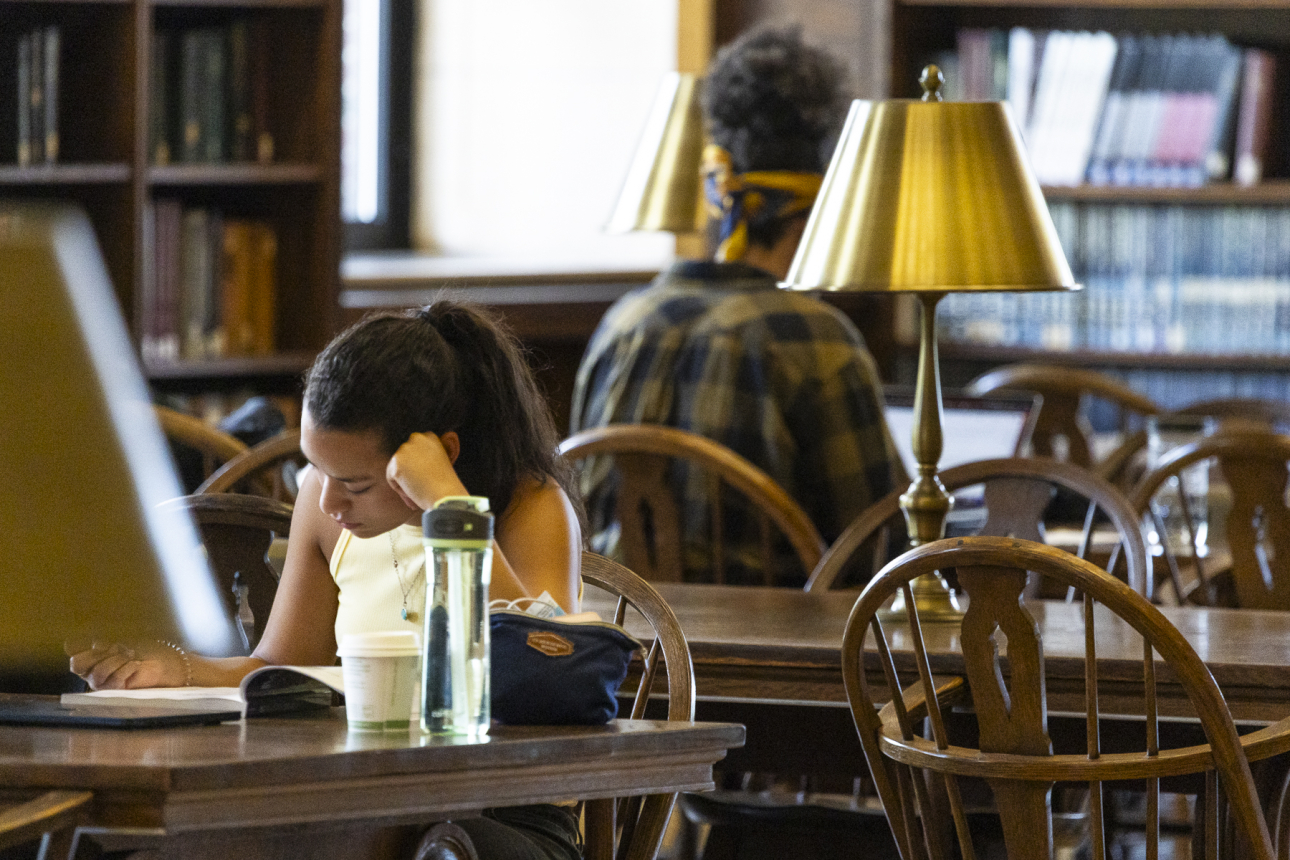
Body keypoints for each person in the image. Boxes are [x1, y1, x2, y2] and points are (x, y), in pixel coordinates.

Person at [69, 300, 587, 860]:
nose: (330, 500)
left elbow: (540, 666)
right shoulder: (324, 508)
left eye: (356, 484)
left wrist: (449, 507)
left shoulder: (527, 505)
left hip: (501, 816)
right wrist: (179, 668)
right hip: (363, 803)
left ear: (440, 455)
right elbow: (277, 668)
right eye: (318, 472)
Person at [571, 25, 907, 587]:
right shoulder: (817, 338)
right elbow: (878, 545)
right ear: (820, 207)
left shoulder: (622, 321)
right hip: (770, 653)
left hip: (622, 645)